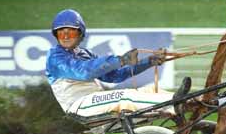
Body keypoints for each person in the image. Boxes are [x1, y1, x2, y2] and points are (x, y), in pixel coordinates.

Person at [45, 9, 190, 119]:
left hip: (94, 100)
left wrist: (149, 62)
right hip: (78, 105)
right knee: (125, 97)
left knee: (150, 90)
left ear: (80, 33)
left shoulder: (85, 54)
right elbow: (84, 72)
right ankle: (174, 103)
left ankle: (192, 101)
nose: (64, 36)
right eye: (60, 33)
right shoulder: (55, 57)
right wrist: (121, 60)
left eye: (69, 32)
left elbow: (115, 76)